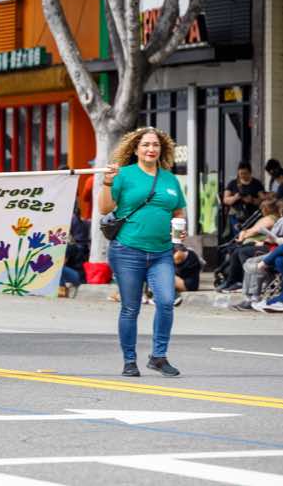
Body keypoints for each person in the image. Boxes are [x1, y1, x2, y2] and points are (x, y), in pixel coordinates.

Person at [100, 127, 187, 378]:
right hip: (127, 250)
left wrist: (179, 234)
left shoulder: (169, 179)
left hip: (161, 252)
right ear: (136, 149)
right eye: (146, 145)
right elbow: (104, 208)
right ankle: (129, 361)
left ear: (162, 149)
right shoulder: (124, 175)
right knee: (130, 308)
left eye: (155, 145)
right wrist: (108, 182)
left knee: (166, 302)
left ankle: (158, 357)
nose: (151, 149)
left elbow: (178, 212)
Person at [215, 198, 279, 292]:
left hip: (263, 245)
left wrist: (243, 234)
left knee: (239, 251)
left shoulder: (270, 219)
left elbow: (254, 231)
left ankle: (236, 281)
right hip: (259, 244)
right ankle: (232, 280)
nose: (261, 210)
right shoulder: (269, 218)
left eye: (262, 208)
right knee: (235, 250)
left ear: (267, 209)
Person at [222, 161, 265, 237]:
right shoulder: (232, 183)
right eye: (241, 173)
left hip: (252, 216)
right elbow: (225, 200)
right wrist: (235, 197)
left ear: (250, 173)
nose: (243, 176)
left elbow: (262, 200)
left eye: (245, 173)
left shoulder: (256, 183)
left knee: (250, 235)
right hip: (236, 215)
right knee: (238, 235)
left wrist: (252, 200)